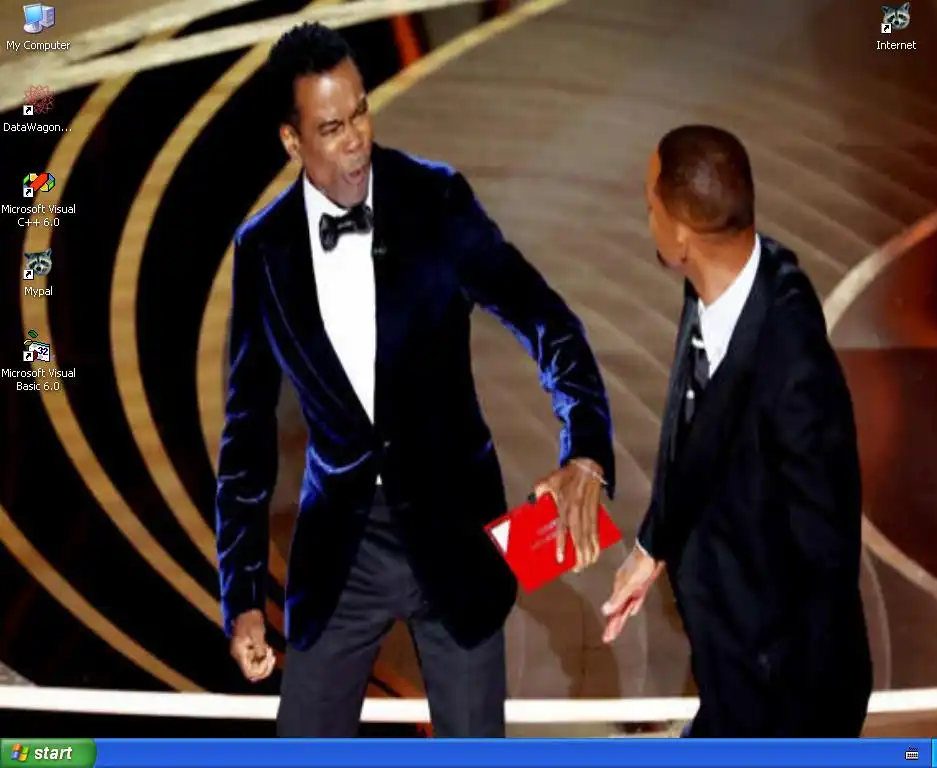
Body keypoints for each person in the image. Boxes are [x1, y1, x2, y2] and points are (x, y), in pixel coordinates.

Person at [215, 22, 615, 738]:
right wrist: (242, 595)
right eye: (331, 127)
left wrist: (584, 447)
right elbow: (246, 437)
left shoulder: (437, 200)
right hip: (343, 553)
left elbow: (546, 321)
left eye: (360, 113)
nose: (356, 140)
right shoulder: (263, 252)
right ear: (291, 141)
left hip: (456, 534)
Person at [601, 125, 871, 736]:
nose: (647, 219)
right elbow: (701, 438)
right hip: (728, 667)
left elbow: (827, 555)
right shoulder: (721, 285)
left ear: (680, 234)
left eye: (650, 207)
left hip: (783, 700)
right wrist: (652, 547)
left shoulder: (794, 369)